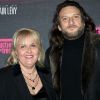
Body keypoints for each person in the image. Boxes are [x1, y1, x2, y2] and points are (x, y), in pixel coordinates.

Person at [45, 0, 100, 100]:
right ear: (59, 27)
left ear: (84, 22)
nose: (71, 22)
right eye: (65, 18)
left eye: (75, 17)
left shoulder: (98, 46)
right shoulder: (51, 53)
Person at [0, 28, 58, 100]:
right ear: (15, 52)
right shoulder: (3, 77)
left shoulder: (49, 76)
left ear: (39, 50)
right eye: (23, 46)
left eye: (33, 45)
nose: (29, 50)